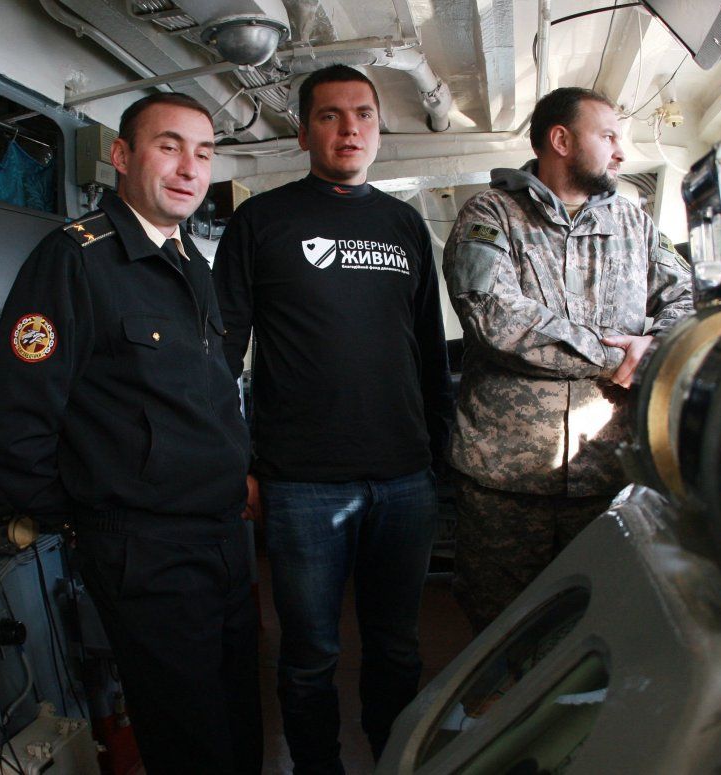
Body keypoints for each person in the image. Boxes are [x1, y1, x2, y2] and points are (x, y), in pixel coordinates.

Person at [0, 93, 261, 773]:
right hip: (148, 548)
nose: (189, 168)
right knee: (191, 741)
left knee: (239, 723)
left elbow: (206, 396)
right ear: (122, 156)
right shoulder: (75, 261)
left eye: (203, 153)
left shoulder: (191, 262)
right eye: (169, 146)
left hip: (223, 537)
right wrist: (90, 515)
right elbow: (12, 423)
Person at [213, 65, 451, 773]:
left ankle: (395, 758)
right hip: (301, 483)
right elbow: (218, 355)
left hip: (404, 478)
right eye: (330, 115)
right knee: (310, 653)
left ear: (378, 128)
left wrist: (437, 456)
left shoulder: (404, 224)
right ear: (302, 132)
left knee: (397, 647)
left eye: (363, 115)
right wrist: (238, 464)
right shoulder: (262, 221)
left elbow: (428, 349)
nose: (350, 129)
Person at [443, 86, 693, 633]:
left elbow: (687, 299)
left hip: (610, 473)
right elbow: (494, 317)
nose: (621, 152)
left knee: (602, 623)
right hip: (505, 480)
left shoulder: (634, 223)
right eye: (608, 136)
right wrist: (617, 353)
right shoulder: (490, 215)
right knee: (501, 628)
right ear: (561, 140)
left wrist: (654, 344)